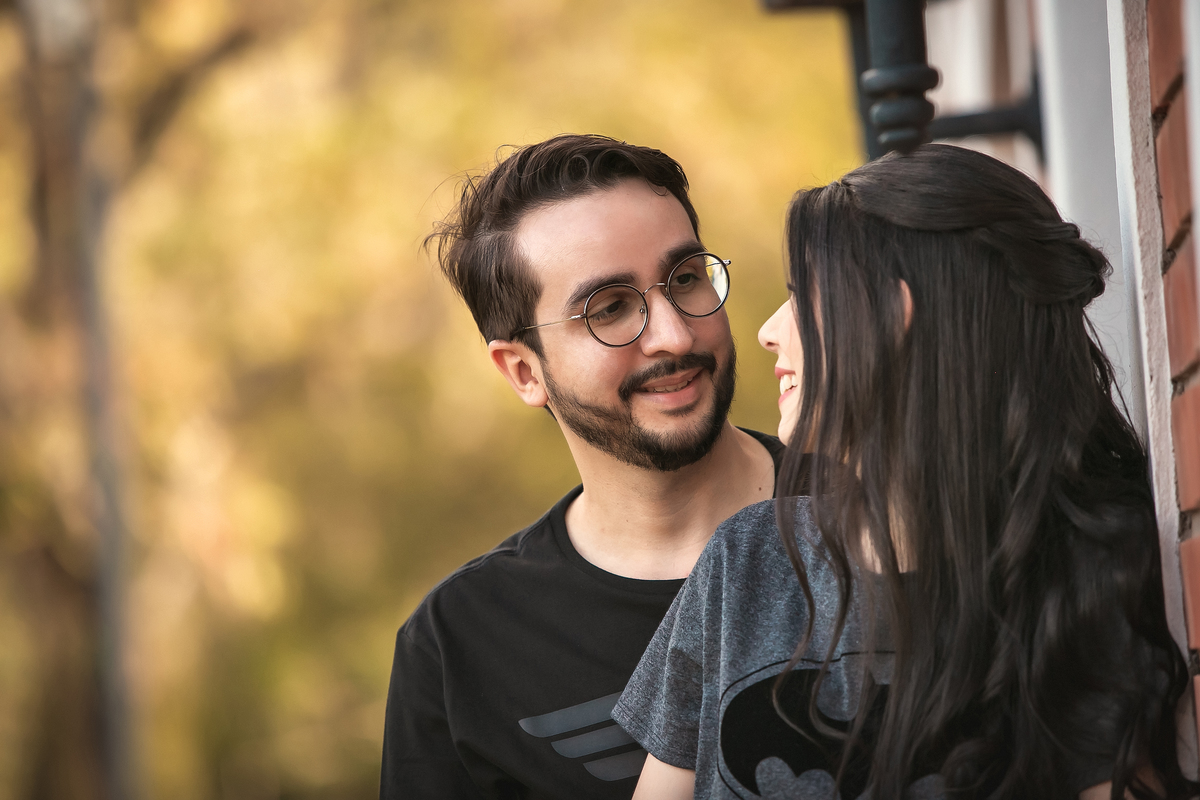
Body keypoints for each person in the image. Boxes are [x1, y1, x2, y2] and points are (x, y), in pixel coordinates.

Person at [613, 144, 1197, 800]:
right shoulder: (743, 562)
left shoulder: (1083, 581)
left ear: (894, 315)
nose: (770, 332)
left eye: (802, 295)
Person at [380, 134, 785, 799]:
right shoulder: (461, 645)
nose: (675, 335)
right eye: (610, 309)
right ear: (522, 371)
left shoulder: (884, 515)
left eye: (685, 278)